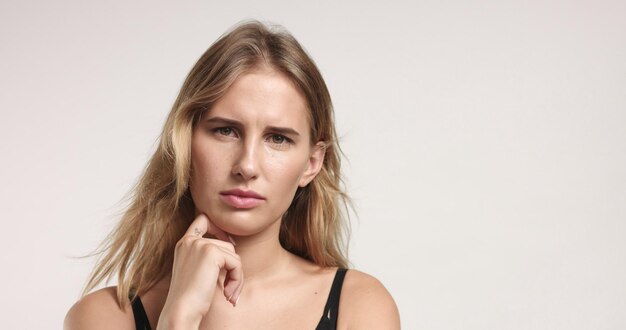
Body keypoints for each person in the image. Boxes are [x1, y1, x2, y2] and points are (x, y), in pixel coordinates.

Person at [64, 20, 400, 329]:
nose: (247, 166)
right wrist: (179, 315)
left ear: (311, 164)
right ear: (185, 142)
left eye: (278, 138)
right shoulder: (102, 317)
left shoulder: (359, 305)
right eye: (226, 130)